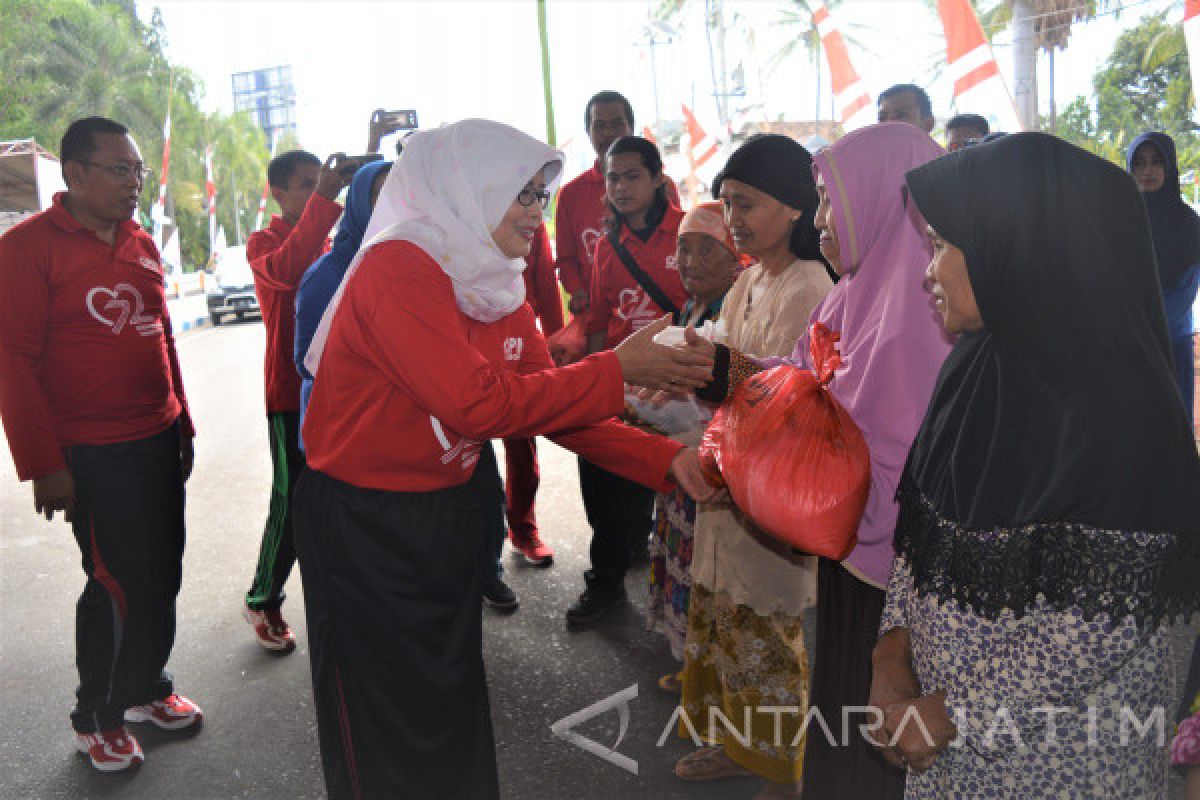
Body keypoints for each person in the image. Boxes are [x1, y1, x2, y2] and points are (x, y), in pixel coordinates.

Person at [292, 119, 718, 799]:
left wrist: (665, 461)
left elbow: (543, 402)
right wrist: (617, 368)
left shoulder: (494, 278)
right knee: (381, 716)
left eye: (539, 194)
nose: (534, 211)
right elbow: (479, 405)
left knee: (447, 698)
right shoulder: (397, 266)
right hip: (366, 527)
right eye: (519, 194)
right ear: (467, 188)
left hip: (445, 510)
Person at [871, 132, 1200, 797]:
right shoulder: (971, 368)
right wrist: (891, 654)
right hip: (943, 749)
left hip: (1063, 762)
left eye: (940, 246)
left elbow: (1102, 619)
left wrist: (947, 711)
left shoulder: (1123, 405)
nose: (927, 272)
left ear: (1018, 246)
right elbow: (921, 537)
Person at [675, 126, 948, 799]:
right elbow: (799, 381)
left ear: (886, 200)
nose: (823, 220)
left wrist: (744, 408)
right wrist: (716, 368)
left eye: (831, 202)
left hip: (896, 576)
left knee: (874, 733)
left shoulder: (920, 305)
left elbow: (875, 442)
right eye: (822, 201)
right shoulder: (855, 291)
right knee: (845, 717)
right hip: (849, 552)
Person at [0, 116, 203, 772]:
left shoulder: (139, 240)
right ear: (75, 174)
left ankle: (144, 688)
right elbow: (14, 362)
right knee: (115, 581)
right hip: (90, 452)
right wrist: (43, 466)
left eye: (137, 170)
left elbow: (161, 335)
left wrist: (184, 423)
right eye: (119, 169)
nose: (134, 182)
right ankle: (97, 716)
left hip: (157, 437)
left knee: (163, 571)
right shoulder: (27, 250)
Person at [667, 133, 834, 797]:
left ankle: (782, 769)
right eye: (728, 203)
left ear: (795, 207)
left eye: (748, 203)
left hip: (772, 490)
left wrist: (703, 369)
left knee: (766, 628)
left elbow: (791, 392)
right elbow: (730, 367)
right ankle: (740, 746)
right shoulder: (750, 280)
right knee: (728, 621)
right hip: (731, 475)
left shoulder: (809, 285)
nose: (734, 218)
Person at [569, 134, 687, 628]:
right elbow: (597, 319)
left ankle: (686, 604)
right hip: (626, 386)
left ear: (658, 178)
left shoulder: (689, 232)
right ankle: (607, 582)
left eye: (631, 176)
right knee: (604, 483)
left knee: (684, 496)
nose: (620, 187)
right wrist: (598, 393)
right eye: (613, 177)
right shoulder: (607, 244)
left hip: (681, 388)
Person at [242, 149, 351, 652]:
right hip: (289, 395)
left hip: (334, 392)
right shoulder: (264, 243)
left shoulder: (328, 238)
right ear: (277, 193)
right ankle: (263, 597)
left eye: (320, 183)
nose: (315, 192)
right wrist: (326, 199)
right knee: (290, 501)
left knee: (332, 500)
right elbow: (289, 271)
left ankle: (336, 595)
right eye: (305, 185)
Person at [641, 201, 740, 687]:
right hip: (681, 461)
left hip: (711, 466)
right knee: (684, 564)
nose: (692, 260)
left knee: (712, 575)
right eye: (684, 248)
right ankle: (695, 663)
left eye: (708, 248)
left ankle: (711, 671)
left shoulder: (736, 308)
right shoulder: (690, 308)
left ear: (735, 256)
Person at [295, 158, 392, 431]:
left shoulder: (410, 265)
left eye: (397, 195)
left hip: (392, 427)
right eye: (380, 196)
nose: (392, 207)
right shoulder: (326, 276)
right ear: (360, 202)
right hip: (342, 429)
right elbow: (308, 362)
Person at [498, 221, 564, 573]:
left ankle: (523, 529)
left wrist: (556, 341)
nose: (534, 204)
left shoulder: (528, 218)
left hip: (520, 342)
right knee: (462, 454)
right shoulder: (457, 214)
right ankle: (482, 552)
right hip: (465, 345)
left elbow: (546, 283)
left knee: (522, 444)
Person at [1127, 132, 1199, 428]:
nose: (1148, 171)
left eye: (1157, 162)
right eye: (1140, 163)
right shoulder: (1119, 220)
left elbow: (1185, 291)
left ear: (1169, 167)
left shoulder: (1188, 223)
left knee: (1173, 431)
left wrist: (1142, 326)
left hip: (1171, 347)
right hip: (1128, 349)